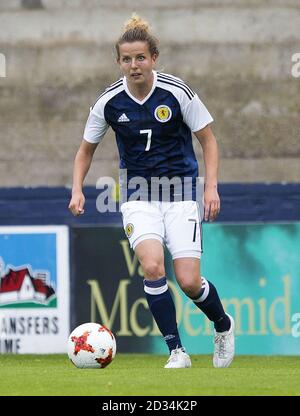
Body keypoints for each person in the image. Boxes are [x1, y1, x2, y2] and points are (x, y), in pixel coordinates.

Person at [69, 14, 235, 369]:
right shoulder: (108, 103)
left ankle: (222, 325)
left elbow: (208, 140)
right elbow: (85, 150)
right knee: (152, 266)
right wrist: (77, 189)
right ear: (119, 62)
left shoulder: (177, 92)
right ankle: (176, 350)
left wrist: (211, 188)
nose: (134, 65)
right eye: (127, 59)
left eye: (140, 57)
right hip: (138, 197)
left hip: (181, 194)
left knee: (189, 282)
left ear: (153, 58)